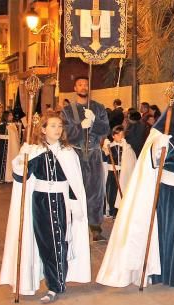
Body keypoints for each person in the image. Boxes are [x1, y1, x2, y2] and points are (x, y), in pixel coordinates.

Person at [96, 14, 174, 292]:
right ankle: (161, 271)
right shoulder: (159, 131)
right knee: (165, 234)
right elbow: (149, 167)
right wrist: (158, 149)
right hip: (167, 194)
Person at [0, 113, 91, 303]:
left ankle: (55, 286)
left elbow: (74, 183)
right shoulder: (33, 151)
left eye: (59, 126)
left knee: (57, 243)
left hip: (60, 201)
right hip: (39, 202)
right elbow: (19, 177)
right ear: (43, 129)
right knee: (44, 244)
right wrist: (21, 160)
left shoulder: (68, 152)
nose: (57, 130)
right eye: (53, 126)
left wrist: (76, 205)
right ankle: (48, 280)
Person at [61, 76, 111, 242]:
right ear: (75, 88)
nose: (83, 87)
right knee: (74, 189)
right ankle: (72, 223)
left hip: (94, 154)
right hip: (75, 154)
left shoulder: (98, 108)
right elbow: (65, 133)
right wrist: (80, 127)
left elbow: (105, 129)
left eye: (86, 85)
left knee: (96, 191)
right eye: (80, 84)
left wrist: (95, 121)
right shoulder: (68, 111)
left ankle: (95, 226)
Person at [101, 126, 136, 218]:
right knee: (111, 192)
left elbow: (131, 160)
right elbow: (104, 158)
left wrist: (124, 148)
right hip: (111, 172)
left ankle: (118, 211)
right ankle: (111, 211)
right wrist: (105, 149)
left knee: (120, 192)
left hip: (123, 172)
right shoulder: (109, 146)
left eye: (122, 134)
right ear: (113, 136)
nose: (120, 136)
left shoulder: (127, 147)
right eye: (118, 134)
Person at [0, 111, 21, 183]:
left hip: (10, 146)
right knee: (1, 160)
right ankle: (1, 178)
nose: (12, 117)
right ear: (6, 116)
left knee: (9, 160)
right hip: (2, 144)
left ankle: (9, 176)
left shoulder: (13, 125)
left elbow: (16, 136)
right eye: (10, 115)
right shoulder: (0, 124)